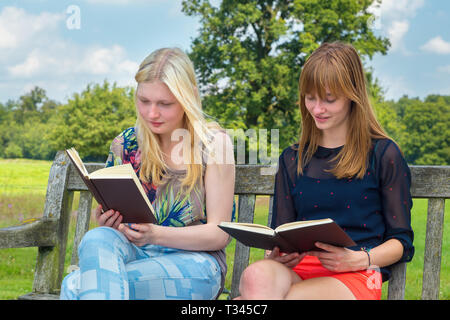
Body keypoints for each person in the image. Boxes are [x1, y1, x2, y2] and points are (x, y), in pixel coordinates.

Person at [237, 42, 414, 300]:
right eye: (310, 98)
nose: (317, 109)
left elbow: (401, 242)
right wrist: (276, 254)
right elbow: (281, 232)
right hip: (299, 269)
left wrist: (359, 259)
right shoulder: (291, 159)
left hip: (355, 273)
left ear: (353, 95)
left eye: (329, 99)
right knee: (256, 277)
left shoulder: (383, 154)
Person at [60, 47, 235, 300]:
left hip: (196, 264)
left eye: (165, 104)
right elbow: (115, 227)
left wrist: (155, 234)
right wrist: (110, 223)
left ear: (190, 98)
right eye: (144, 101)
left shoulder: (213, 145)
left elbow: (219, 234)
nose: (152, 113)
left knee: (77, 285)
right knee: (98, 236)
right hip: (134, 254)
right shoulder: (126, 143)